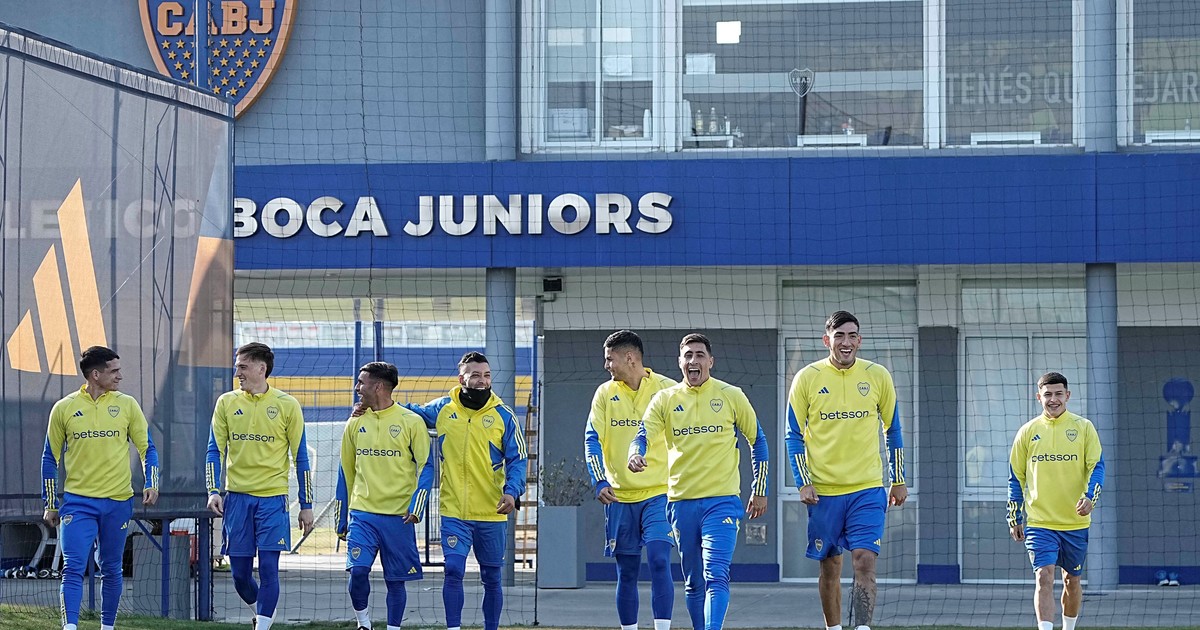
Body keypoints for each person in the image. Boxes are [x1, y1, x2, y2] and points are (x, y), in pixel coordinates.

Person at [628, 333, 769, 630]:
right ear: (680, 362)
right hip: (681, 503)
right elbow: (642, 434)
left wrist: (760, 488)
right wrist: (635, 453)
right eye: (688, 355)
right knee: (693, 582)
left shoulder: (731, 395)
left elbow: (758, 440)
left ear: (711, 361)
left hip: (722, 501)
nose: (694, 360)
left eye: (700, 355)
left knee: (715, 574)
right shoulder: (664, 399)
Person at [785, 311, 907, 630]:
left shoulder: (877, 375)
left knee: (865, 561)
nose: (846, 342)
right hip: (824, 492)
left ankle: (863, 628)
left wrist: (898, 479)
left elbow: (892, 430)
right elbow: (793, 435)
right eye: (839, 335)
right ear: (826, 340)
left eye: (852, 335)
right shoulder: (807, 378)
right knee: (831, 567)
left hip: (867, 489)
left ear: (859, 340)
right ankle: (834, 628)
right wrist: (803, 482)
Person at [401, 351, 528, 630]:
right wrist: (373, 406)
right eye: (475, 375)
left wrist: (512, 491)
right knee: (453, 570)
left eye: (487, 375)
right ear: (462, 379)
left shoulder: (503, 415)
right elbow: (407, 412)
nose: (482, 381)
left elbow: (518, 459)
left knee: (491, 578)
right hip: (454, 510)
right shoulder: (443, 408)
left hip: (492, 511)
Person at [41, 346, 160, 630]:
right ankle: (70, 627)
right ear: (95, 375)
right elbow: (49, 458)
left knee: (111, 568)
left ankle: (108, 627)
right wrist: (50, 503)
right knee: (72, 566)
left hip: (118, 503)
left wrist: (152, 483)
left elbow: (148, 449)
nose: (120, 376)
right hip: (78, 503)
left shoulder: (128, 405)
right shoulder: (64, 408)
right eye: (114, 371)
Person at [206, 342, 315, 629]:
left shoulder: (287, 405)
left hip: (272, 500)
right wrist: (213, 491)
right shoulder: (226, 402)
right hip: (237, 499)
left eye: (242, 367)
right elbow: (214, 451)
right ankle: (263, 613)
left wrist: (306, 505)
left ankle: (263, 624)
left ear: (261, 368)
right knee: (240, 576)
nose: (237, 373)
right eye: (237, 367)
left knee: (268, 568)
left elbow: (301, 458)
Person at [584, 330, 676, 630]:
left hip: (660, 493)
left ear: (629, 358)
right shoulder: (604, 394)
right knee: (627, 571)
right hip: (620, 496)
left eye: (609, 359)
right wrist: (599, 480)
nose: (606, 365)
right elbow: (592, 440)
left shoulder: (668, 389)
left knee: (660, 559)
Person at [336, 362, 436, 630]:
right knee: (358, 571)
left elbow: (427, 466)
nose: (357, 388)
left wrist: (417, 506)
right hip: (363, 515)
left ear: (378, 386)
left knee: (396, 581)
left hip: (398, 517)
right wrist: (341, 518)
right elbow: (345, 471)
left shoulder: (411, 422)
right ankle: (364, 623)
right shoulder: (355, 422)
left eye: (361, 383)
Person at [1008, 372, 1105, 630]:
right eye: (1048, 394)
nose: (1053, 399)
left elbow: (1097, 467)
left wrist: (1090, 498)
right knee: (1044, 576)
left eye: (1058, 394)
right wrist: (1014, 516)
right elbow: (1016, 478)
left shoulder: (1084, 428)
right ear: (1038, 397)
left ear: (1067, 395)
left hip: (1075, 522)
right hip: (1040, 522)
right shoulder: (1027, 432)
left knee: (1072, 580)